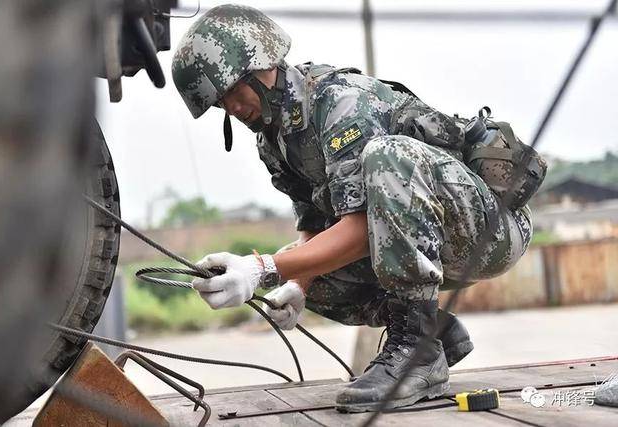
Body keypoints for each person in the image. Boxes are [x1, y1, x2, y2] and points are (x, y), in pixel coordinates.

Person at [171, 4, 533, 412]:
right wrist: (294, 283)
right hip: (424, 240)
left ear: (263, 64)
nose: (233, 108)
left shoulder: (340, 102)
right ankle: (430, 332)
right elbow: (315, 227)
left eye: (235, 91)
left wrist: (261, 267)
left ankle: (416, 352)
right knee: (302, 271)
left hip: (488, 228)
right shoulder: (274, 140)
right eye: (222, 102)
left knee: (387, 156)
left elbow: (361, 228)